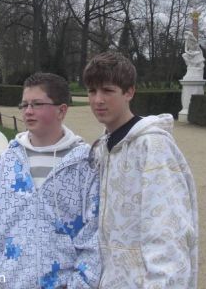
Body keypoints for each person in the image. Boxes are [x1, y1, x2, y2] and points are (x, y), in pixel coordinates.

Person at [0, 73, 100, 288]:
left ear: (61, 110)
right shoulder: (6, 162)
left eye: (37, 104)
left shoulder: (86, 163)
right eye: (24, 104)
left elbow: (94, 233)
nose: (28, 111)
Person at [83, 51, 198, 288]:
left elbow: (168, 231)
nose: (98, 100)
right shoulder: (104, 147)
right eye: (92, 91)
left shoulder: (153, 146)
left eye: (107, 90)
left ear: (129, 92)